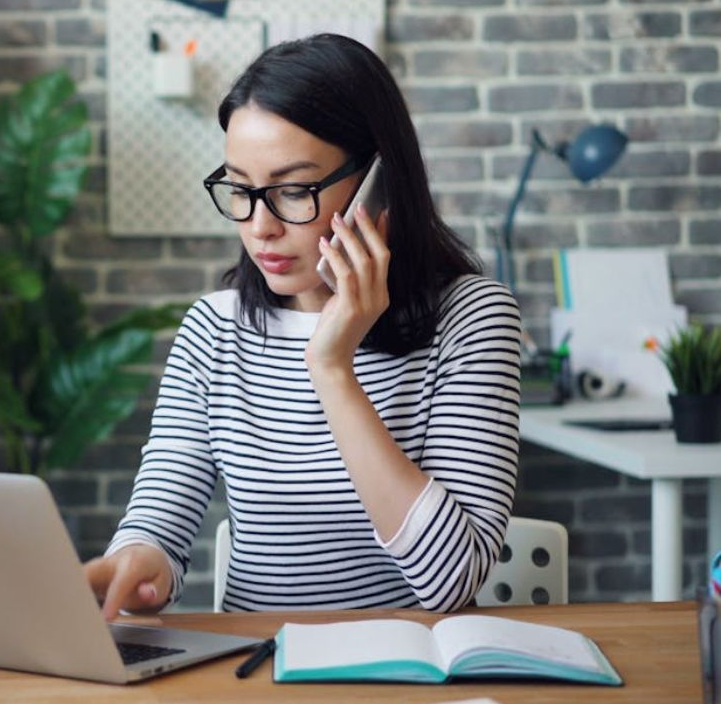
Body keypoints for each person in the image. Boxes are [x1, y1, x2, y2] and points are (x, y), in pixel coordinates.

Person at [83, 34, 521, 617]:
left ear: (377, 185)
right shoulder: (214, 330)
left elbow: (450, 581)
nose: (259, 226)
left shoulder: (471, 318)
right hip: (255, 670)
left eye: (292, 191)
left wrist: (333, 367)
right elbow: (160, 519)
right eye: (240, 190)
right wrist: (140, 561)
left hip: (409, 673)